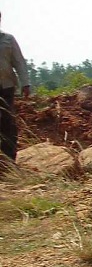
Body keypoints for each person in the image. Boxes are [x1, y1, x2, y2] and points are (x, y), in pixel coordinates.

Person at [0, 11, 31, 164]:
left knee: (8, 124)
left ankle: (9, 161)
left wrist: (25, 83)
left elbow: (19, 62)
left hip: (6, 87)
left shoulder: (8, 39)